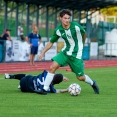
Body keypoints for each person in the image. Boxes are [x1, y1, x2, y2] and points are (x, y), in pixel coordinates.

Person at [38, 9, 99, 95]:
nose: (67, 20)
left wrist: (82, 43)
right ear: (61, 18)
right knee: (52, 67)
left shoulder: (76, 26)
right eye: (65, 18)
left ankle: (93, 83)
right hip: (65, 52)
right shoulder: (58, 30)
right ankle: (44, 89)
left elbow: (84, 33)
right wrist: (42, 53)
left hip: (76, 55)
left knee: (80, 77)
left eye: (68, 18)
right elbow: (51, 42)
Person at [4, 70, 69, 94]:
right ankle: (20, 86)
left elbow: (52, 71)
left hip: (25, 80)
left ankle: (10, 76)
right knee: (31, 84)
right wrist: (67, 89)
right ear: (57, 83)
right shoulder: (50, 88)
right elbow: (58, 91)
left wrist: (62, 77)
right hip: (24, 90)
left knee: (28, 76)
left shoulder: (46, 74)